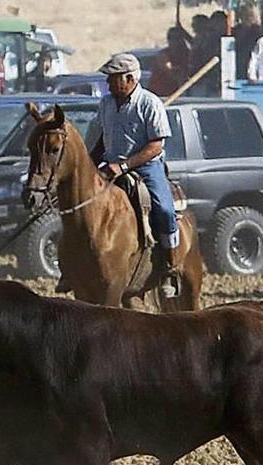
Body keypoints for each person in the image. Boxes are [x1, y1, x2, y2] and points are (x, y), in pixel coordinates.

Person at [96, 53, 181, 298]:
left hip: (145, 166)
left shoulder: (149, 103)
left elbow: (156, 145)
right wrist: (91, 164)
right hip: (110, 162)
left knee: (164, 209)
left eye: (113, 79)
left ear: (130, 78)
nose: (109, 84)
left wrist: (123, 167)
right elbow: (102, 138)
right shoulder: (106, 104)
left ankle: (170, 268)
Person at [149, 26, 191, 97]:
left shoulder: (187, 54)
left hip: (178, 95)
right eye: (171, 38)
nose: (176, 41)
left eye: (178, 38)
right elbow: (170, 72)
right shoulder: (163, 55)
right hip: (160, 95)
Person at [233, 4, 261, 80]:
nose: (245, 18)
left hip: (253, 61)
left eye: (248, 16)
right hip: (239, 61)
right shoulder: (236, 30)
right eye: (243, 15)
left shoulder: (257, 31)